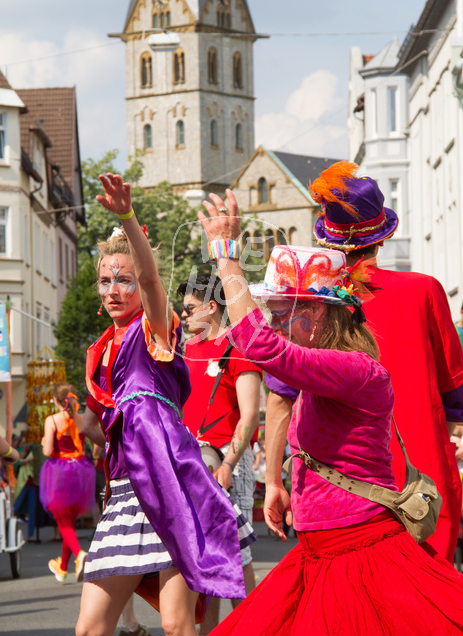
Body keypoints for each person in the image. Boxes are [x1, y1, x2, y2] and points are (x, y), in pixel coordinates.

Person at [196, 189, 463, 636]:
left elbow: (263, 348)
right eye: (274, 315)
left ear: (318, 313)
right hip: (320, 552)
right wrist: (281, 485)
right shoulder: (322, 369)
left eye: (283, 314)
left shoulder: (353, 368)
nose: (276, 325)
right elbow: (283, 403)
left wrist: (227, 257)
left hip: (359, 552)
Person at [76, 173, 254, 636]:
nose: (113, 289)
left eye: (124, 280)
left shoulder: (154, 327)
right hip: (124, 492)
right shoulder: (100, 351)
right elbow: (103, 425)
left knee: (177, 625)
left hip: (172, 485)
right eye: (104, 281)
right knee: (89, 628)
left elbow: (153, 277)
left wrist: (127, 218)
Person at [305, 160, 463, 563]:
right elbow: (456, 394)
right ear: (382, 238)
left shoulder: (317, 304)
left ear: (329, 240)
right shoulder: (425, 290)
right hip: (420, 472)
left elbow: (286, 396)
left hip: (343, 475)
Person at [177, 274, 262, 635]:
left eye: (189, 308)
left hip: (228, 462)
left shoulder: (238, 347)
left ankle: (258, 627)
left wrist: (228, 463)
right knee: (204, 558)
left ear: (212, 307)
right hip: (191, 462)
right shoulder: (186, 350)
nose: (182, 315)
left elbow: (249, 415)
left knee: (234, 555)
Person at [40, 383, 95, 583]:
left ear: (55, 400)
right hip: (80, 471)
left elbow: (47, 452)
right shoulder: (81, 419)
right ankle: (62, 568)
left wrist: (45, 442)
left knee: (63, 521)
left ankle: (80, 554)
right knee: (68, 521)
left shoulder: (52, 420)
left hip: (59, 472)